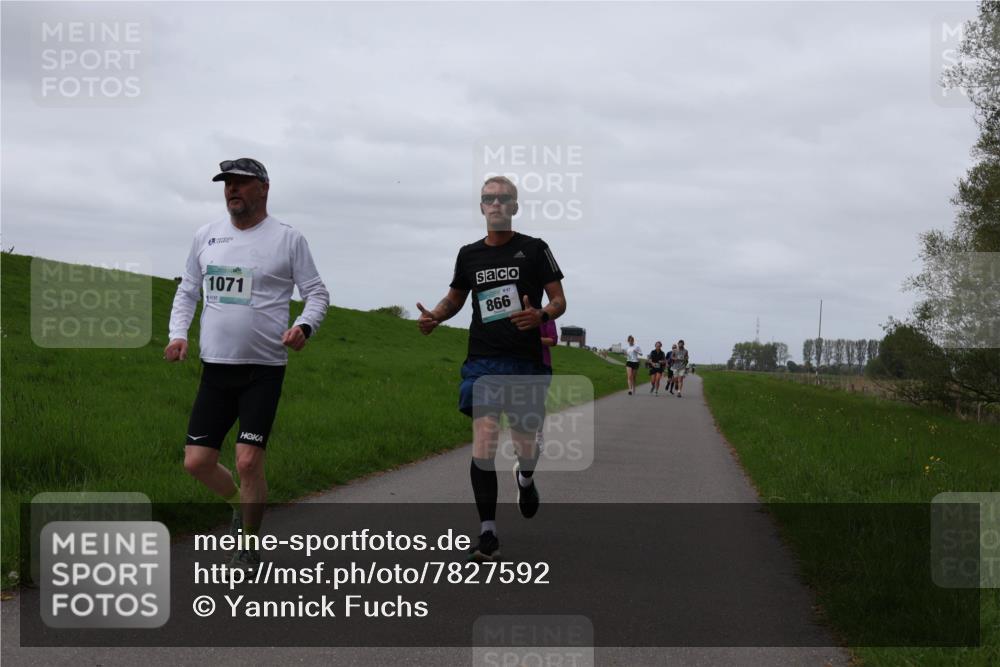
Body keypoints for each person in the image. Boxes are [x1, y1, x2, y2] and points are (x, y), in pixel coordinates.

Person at [165, 158, 329, 568]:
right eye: (227, 184)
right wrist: (178, 334)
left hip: (263, 369)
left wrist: (304, 327)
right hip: (216, 367)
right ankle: (240, 506)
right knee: (196, 462)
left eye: (241, 183)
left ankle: (250, 544)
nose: (232, 190)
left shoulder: (288, 239)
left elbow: (317, 294)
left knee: (247, 460)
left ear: (263, 189)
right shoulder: (206, 236)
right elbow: (188, 290)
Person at [417, 175, 566, 562]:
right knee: (483, 442)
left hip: (525, 362)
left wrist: (542, 315)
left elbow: (559, 300)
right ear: (481, 207)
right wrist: (435, 316)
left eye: (503, 199)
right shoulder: (469, 255)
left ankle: (526, 476)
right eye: (488, 198)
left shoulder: (534, 249)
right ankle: (488, 533)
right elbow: (454, 299)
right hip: (483, 361)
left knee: (524, 444)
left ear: (514, 207)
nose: (496, 204)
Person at [538, 317, 558, 449]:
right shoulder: (516, 315)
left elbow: (553, 340)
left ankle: (538, 435)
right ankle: (522, 440)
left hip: (542, 364)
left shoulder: (545, 316)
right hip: (520, 364)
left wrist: (533, 341)